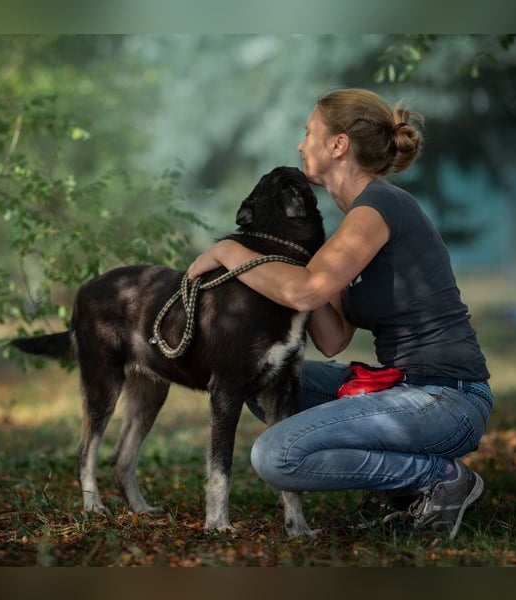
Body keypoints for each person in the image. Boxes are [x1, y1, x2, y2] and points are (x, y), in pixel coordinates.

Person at [187, 88, 492, 539]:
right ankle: (406, 486)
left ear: (338, 145)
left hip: (447, 400)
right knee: (261, 380)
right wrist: (294, 263)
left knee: (276, 456)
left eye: (309, 132)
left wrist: (230, 252)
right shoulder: (352, 228)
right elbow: (333, 338)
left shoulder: (379, 208)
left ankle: (438, 480)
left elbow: (307, 291)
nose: (300, 145)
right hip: (401, 389)